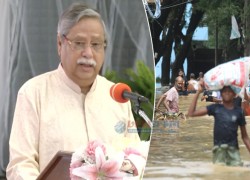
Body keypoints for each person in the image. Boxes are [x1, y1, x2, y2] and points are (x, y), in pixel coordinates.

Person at [7, 3, 146, 179]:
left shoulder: (116, 95)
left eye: (96, 44)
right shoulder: (33, 93)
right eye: (79, 43)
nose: (88, 53)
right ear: (60, 43)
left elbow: (135, 159)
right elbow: (21, 165)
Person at [188, 83, 250, 167]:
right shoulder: (215, 108)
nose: (227, 93)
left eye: (229, 91)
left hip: (233, 150)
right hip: (219, 149)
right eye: (224, 91)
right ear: (221, 94)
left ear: (234, 94)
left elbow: (245, 136)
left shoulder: (239, 112)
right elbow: (191, 113)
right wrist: (198, 92)